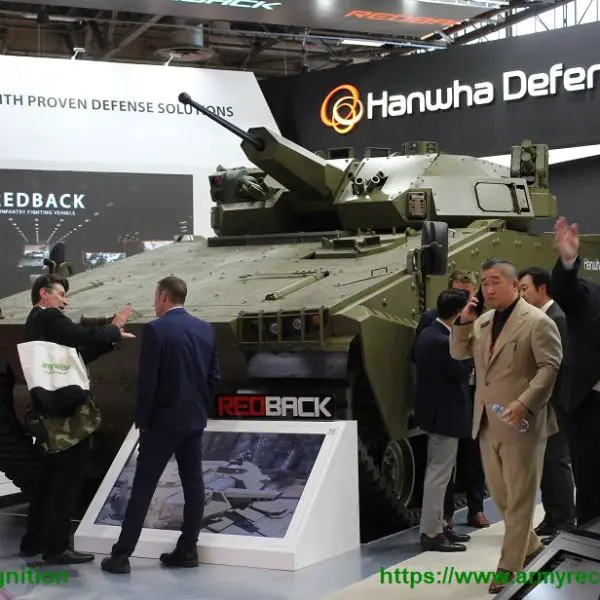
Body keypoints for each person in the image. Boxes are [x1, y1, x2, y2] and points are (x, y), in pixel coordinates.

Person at [450, 258, 563, 594]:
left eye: (495, 281)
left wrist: (525, 402)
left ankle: (509, 567)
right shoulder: (483, 321)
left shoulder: (537, 322)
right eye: (484, 282)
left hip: (523, 424)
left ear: (515, 285)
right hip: (487, 422)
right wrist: (463, 322)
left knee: (520, 500)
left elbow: (549, 367)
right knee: (502, 498)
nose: (488, 288)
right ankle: (533, 547)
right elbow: (458, 353)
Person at [101, 276, 220, 574]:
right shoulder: (205, 328)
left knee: (143, 488)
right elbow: (214, 377)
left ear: (164, 296)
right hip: (193, 420)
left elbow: (148, 381)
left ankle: (121, 556)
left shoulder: (156, 329)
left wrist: (143, 420)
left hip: (162, 422)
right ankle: (188, 549)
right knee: (194, 484)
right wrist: (201, 409)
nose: (155, 302)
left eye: (156, 297)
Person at [21, 273, 135, 565]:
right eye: (60, 294)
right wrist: (112, 329)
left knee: (48, 478)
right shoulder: (48, 318)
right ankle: (56, 547)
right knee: (67, 480)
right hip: (68, 415)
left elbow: (77, 355)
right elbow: (80, 336)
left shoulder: (36, 322)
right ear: (44, 294)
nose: (65, 301)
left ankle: (33, 540)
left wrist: (110, 339)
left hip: (50, 412)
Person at [413, 270, 490, 529]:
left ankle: (458, 517)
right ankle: (436, 527)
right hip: (447, 409)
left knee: (465, 461)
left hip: (462, 403)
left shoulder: (434, 332)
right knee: (441, 471)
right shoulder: (439, 335)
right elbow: (458, 368)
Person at [518, 266, 576, 539]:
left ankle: (565, 519)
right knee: (545, 462)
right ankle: (552, 517)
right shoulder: (539, 318)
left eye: (525, 289)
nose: (521, 295)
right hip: (541, 404)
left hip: (554, 404)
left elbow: (558, 365)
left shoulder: (556, 318)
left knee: (557, 461)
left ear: (542, 289)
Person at [415, 290, 473, 552]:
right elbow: (460, 370)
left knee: (440, 473)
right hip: (445, 415)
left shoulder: (428, 333)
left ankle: (438, 526)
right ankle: (431, 533)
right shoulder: (442, 341)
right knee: (439, 475)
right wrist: (470, 351)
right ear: (459, 314)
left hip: (436, 413)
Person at [551, 217, 600, 528]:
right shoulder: (588, 295)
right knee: (591, 485)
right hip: (591, 408)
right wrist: (567, 260)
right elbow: (564, 291)